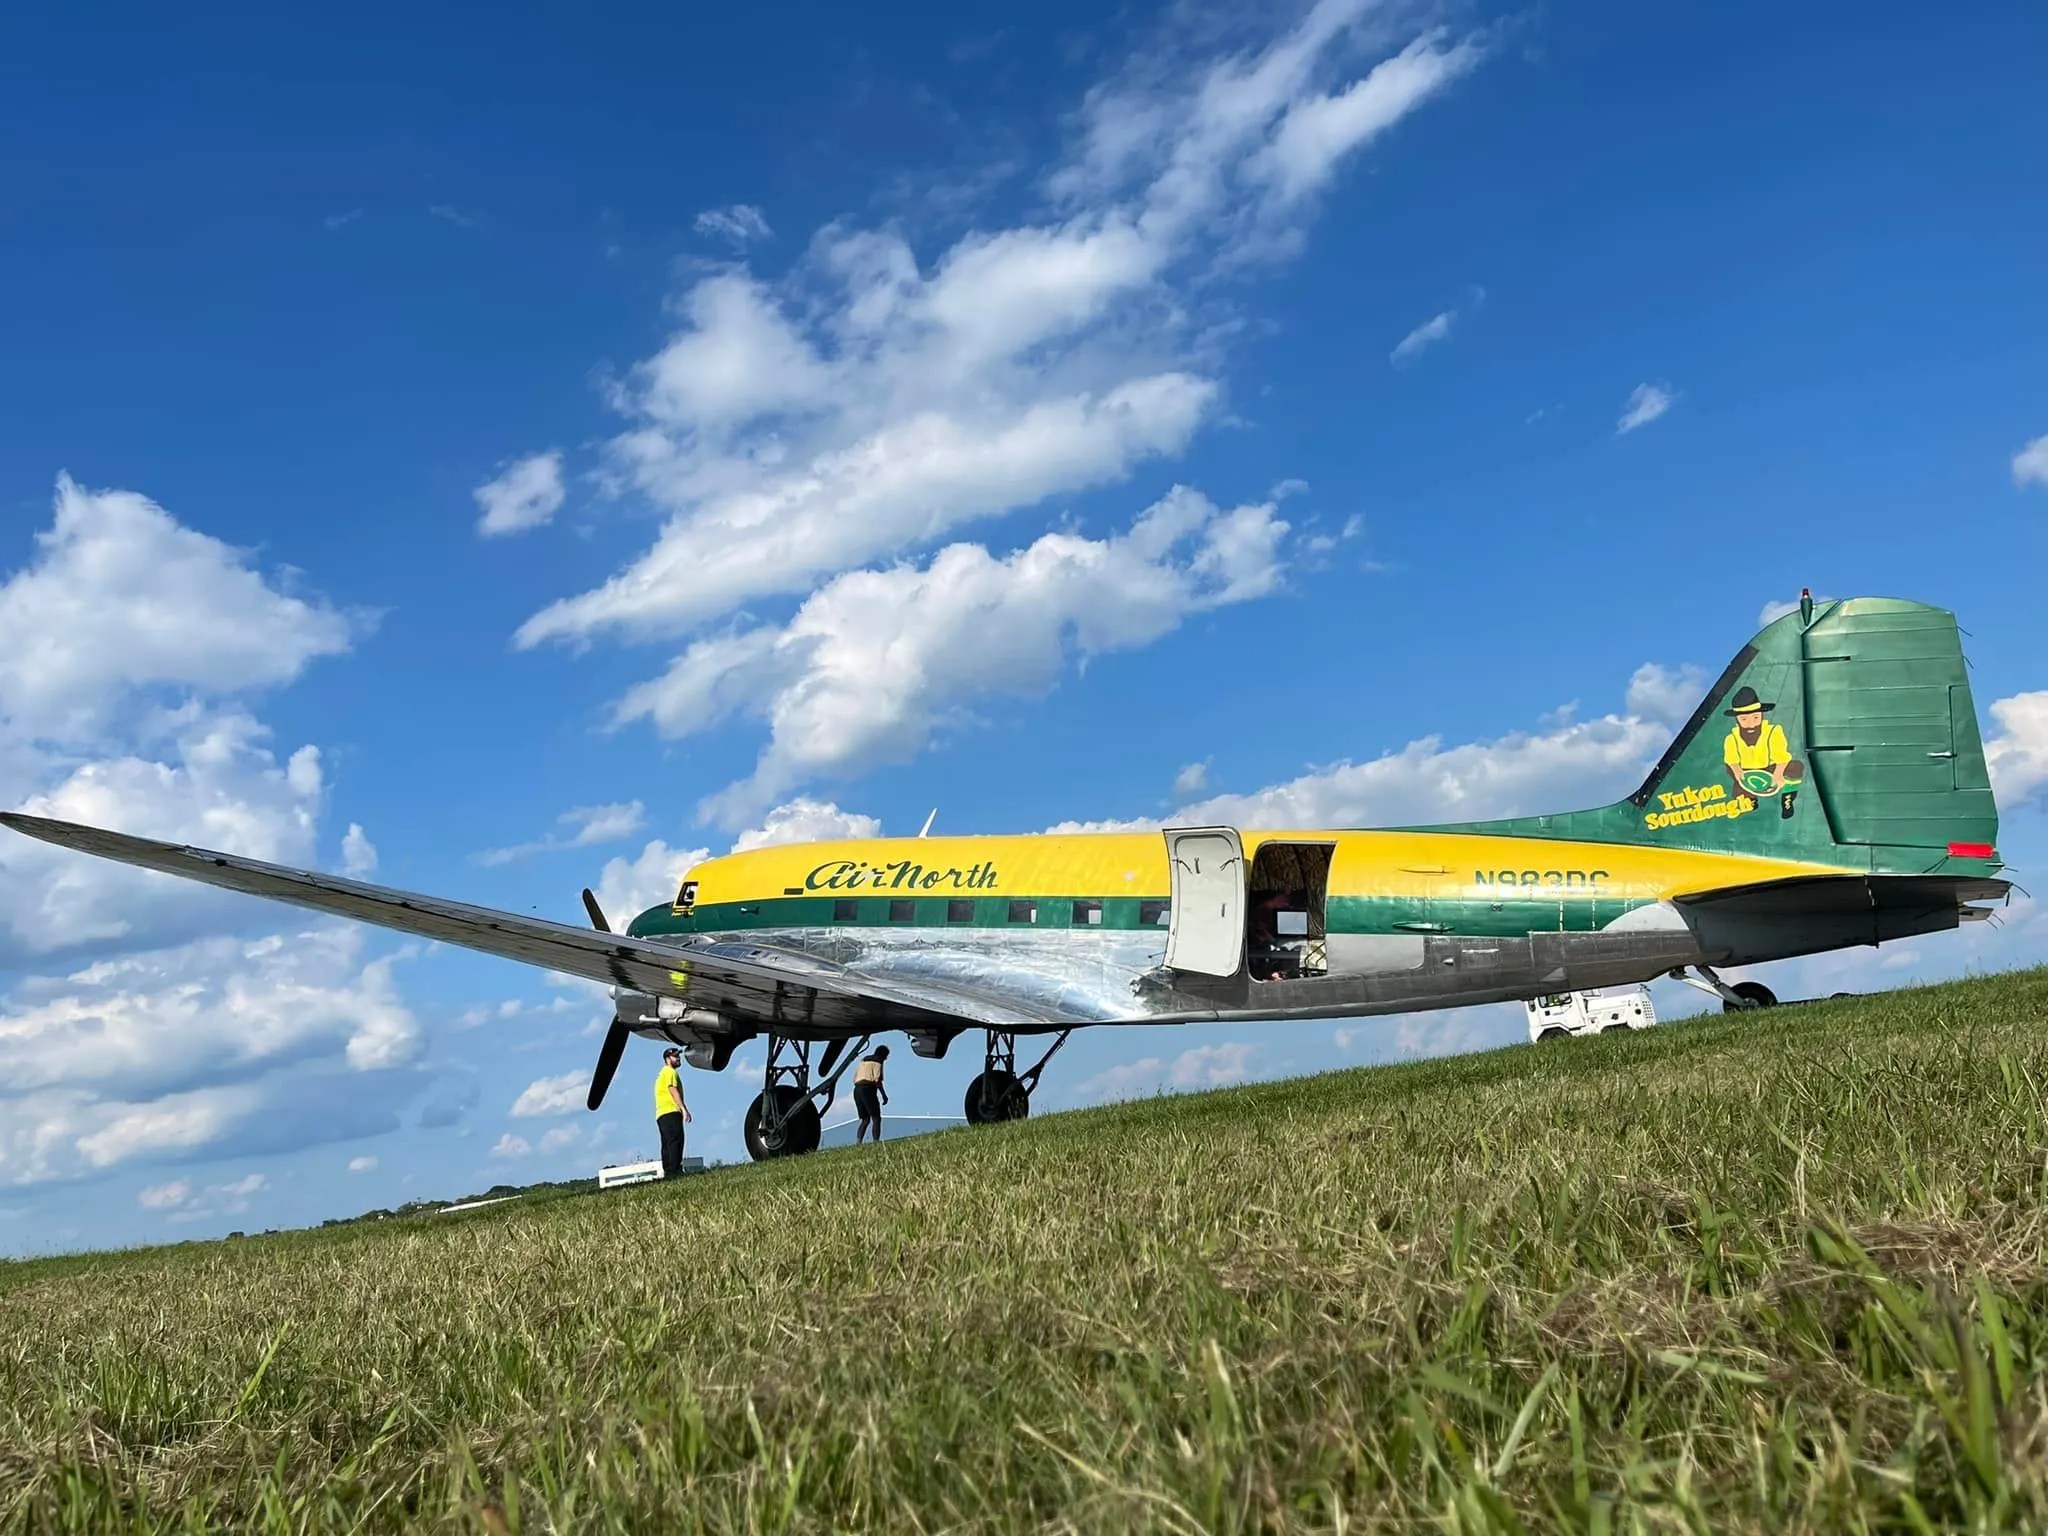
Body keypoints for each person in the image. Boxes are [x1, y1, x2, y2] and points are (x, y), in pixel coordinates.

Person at [654, 1046, 691, 1177]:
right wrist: (683, 1109)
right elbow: (672, 1089)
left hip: (661, 1114)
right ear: (668, 1059)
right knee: (676, 1141)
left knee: (666, 1143)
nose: (678, 1058)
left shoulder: (661, 1074)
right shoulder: (670, 1072)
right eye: (675, 1056)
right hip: (671, 1111)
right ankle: (675, 1170)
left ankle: (668, 1170)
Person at [852, 1045, 889, 1142]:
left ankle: (858, 1142)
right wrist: (884, 1096)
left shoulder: (863, 1061)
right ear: (883, 1055)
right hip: (868, 1089)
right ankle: (875, 1141)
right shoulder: (878, 1062)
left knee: (865, 1119)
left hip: (857, 1089)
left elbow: (855, 1077)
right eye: (886, 1056)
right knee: (876, 1118)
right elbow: (877, 1081)